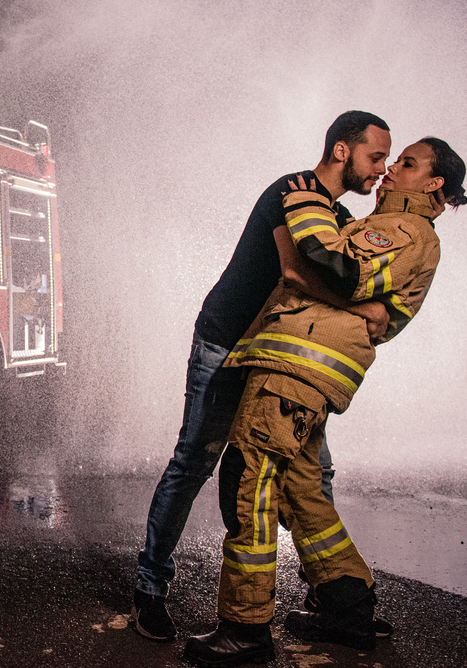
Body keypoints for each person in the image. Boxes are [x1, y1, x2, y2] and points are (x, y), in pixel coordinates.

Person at [183, 138, 467, 666]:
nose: (388, 171)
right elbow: (364, 298)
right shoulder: (396, 227)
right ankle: (347, 605)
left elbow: (338, 270)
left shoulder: (407, 230)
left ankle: (244, 630)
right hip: (303, 368)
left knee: (252, 480)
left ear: (434, 184)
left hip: (298, 368)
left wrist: (306, 204)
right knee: (299, 489)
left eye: (405, 164)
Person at [132, 111, 394, 641]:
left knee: (313, 471)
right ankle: (149, 588)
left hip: (276, 354)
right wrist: (365, 309)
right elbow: (297, 270)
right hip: (226, 339)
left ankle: (323, 592)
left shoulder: (340, 214)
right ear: (342, 150)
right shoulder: (293, 190)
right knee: (194, 461)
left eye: (389, 161)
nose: (381, 170)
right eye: (376, 156)